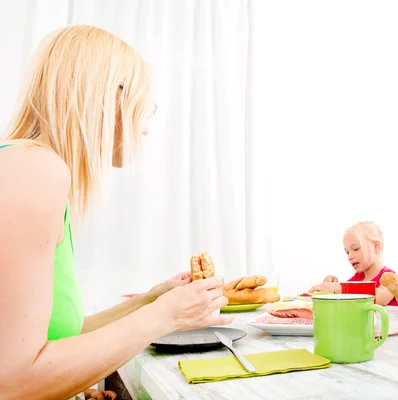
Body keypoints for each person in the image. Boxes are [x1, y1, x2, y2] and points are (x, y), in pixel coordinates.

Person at [0, 25, 233, 400]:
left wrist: (149, 302)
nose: (146, 127)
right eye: (146, 104)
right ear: (109, 96)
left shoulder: (28, 165)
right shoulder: (34, 169)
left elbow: (54, 339)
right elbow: (11, 381)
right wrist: (165, 316)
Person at [308, 221, 398, 306]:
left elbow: (382, 297)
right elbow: (346, 294)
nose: (350, 257)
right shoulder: (358, 278)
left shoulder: (391, 278)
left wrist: (339, 288)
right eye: (347, 252)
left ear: (376, 246)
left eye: (355, 249)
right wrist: (332, 286)